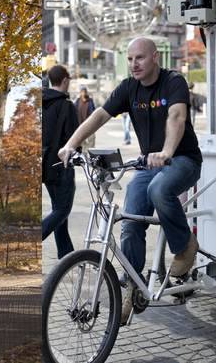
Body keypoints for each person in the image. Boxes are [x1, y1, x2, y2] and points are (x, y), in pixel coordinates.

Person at [58, 37, 202, 325]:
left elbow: (177, 116)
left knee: (159, 188)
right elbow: (100, 115)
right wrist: (71, 143)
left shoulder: (174, 82)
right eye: (131, 58)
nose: (134, 64)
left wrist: (167, 152)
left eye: (140, 58)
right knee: (129, 221)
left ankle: (185, 246)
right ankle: (131, 284)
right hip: (149, 163)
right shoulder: (128, 87)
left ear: (154, 58)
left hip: (182, 159)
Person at [43, 65, 79, 259]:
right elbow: (74, 138)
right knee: (63, 209)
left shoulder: (42, 102)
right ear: (65, 80)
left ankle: (66, 255)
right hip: (62, 165)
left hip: (45, 166)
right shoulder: (66, 106)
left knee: (58, 208)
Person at [74, 86, 96, 152]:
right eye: (82, 91)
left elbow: (93, 111)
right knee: (82, 142)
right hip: (80, 125)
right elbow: (74, 111)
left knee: (91, 140)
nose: (84, 93)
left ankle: (91, 153)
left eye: (85, 91)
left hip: (90, 124)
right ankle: (84, 154)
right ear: (80, 93)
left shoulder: (90, 100)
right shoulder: (77, 101)